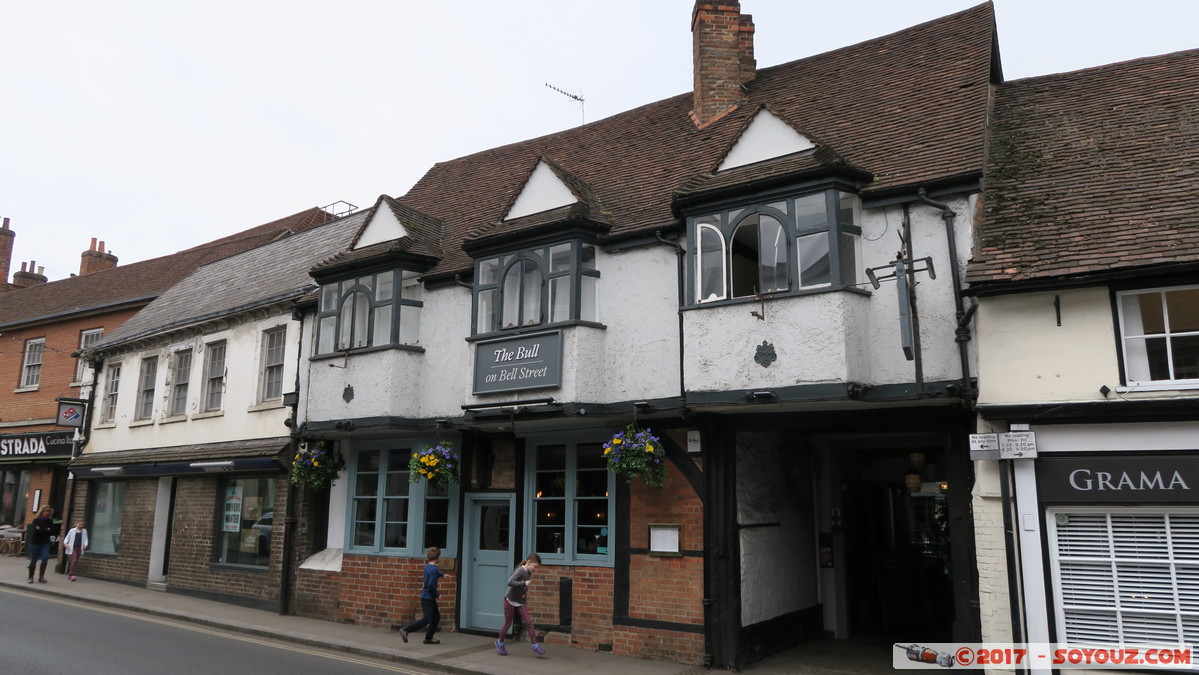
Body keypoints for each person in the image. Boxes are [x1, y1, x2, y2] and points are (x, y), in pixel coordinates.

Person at [495, 552, 545, 657]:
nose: (535, 569)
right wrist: (524, 583)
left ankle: (535, 646)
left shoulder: (529, 573)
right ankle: (500, 643)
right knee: (508, 624)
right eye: (535, 566)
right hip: (509, 600)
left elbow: (522, 588)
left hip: (520, 602)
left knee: (529, 621)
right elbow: (510, 582)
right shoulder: (520, 571)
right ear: (529, 562)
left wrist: (525, 589)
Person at [400, 546, 448, 645]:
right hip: (428, 597)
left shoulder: (427, 567)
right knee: (427, 619)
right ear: (437, 558)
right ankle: (406, 630)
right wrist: (437, 594)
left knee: (436, 617)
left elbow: (432, 574)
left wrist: (442, 574)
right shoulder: (434, 569)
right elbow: (431, 585)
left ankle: (428, 638)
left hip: (426, 597)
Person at [27, 506, 55, 584]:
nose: (47, 513)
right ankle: (31, 577)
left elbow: (51, 531)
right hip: (35, 543)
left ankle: (41, 576)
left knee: (45, 558)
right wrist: (46, 530)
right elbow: (36, 531)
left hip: (45, 543)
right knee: (33, 560)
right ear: (42, 511)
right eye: (46, 511)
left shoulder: (50, 521)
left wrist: (41, 529)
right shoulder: (36, 520)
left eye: (48, 512)